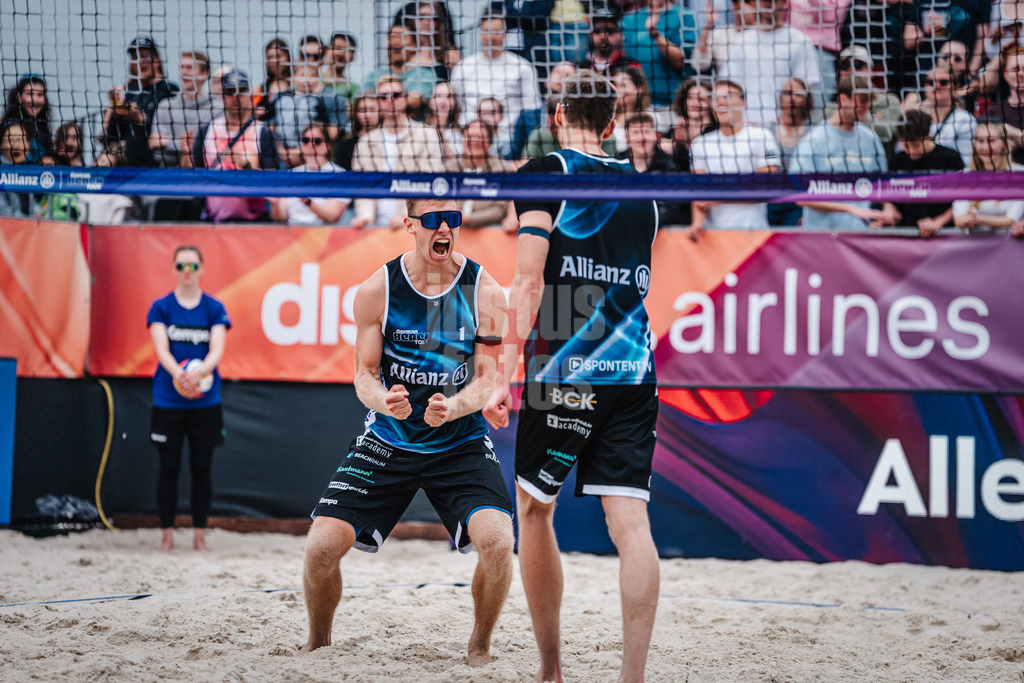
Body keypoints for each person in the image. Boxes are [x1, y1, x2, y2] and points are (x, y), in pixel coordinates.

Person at [484, 69, 661, 683]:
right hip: (635, 368)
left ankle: (551, 670)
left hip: (567, 366)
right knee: (630, 524)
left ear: (558, 115)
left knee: (534, 511)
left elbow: (529, 282)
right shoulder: (648, 195)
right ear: (612, 125)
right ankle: (632, 678)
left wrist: (504, 369)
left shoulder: (544, 173)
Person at [300, 199, 515, 666]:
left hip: (458, 441)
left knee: (499, 542)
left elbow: (486, 379)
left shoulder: (487, 291)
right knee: (319, 549)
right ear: (410, 225)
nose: (444, 228)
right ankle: (318, 643)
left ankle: (479, 647)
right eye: (434, 220)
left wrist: (455, 406)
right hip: (388, 440)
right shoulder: (378, 289)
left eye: (452, 219)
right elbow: (364, 375)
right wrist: (385, 401)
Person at [147, 244, 231, 553]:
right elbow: (161, 350)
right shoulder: (161, 307)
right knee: (168, 469)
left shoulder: (213, 308)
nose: (187, 271)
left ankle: (198, 536)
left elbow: (217, 350)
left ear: (201, 269)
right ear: (173, 268)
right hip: (168, 401)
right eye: (182, 265)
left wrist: (199, 373)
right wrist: (179, 376)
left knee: (201, 469)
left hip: (204, 404)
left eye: (193, 265)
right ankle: (167, 536)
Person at [789, 75, 889, 230]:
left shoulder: (870, 138)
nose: (867, 106)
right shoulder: (813, 140)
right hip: (822, 240)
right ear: (843, 99)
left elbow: (882, 185)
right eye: (862, 101)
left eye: (869, 101)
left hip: (860, 238)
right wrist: (850, 209)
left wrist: (888, 209)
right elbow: (801, 197)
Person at [689, 79, 782, 240]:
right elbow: (699, 193)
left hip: (753, 234)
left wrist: (717, 196)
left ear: (743, 102)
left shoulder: (763, 136)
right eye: (716, 98)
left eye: (728, 96)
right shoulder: (699, 144)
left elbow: (766, 186)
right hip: (712, 237)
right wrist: (697, 223)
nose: (722, 102)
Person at [350, 76, 445, 229]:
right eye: (383, 96)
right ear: (378, 102)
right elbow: (363, 186)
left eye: (395, 95)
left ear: (405, 99)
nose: (390, 100)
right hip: (373, 225)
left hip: (414, 224)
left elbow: (429, 183)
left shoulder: (426, 135)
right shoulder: (366, 142)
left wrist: (410, 216)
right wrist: (365, 216)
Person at [190, 70, 283, 222]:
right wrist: (185, 153)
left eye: (241, 91)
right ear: (222, 96)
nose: (236, 97)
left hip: (254, 222)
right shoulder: (206, 131)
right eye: (230, 92)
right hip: (212, 220)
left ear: (250, 95)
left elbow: (272, 183)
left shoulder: (263, 132)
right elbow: (196, 175)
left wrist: (246, 168)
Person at [450, 11, 543, 160]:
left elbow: (531, 108)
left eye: (496, 31)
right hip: (467, 138)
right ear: (480, 33)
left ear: (505, 35)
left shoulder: (523, 68)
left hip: (508, 141)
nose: (491, 36)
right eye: (486, 31)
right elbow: (457, 106)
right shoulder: (463, 67)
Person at [718, 0, 822, 126]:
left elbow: (806, 88)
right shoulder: (741, 42)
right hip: (748, 128)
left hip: (785, 129)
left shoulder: (800, 41)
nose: (769, 4)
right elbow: (729, 86)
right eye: (764, 0)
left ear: (784, 2)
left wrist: (784, 121)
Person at [882, 109, 964, 237]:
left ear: (927, 135)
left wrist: (939, 221)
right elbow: (885, 191)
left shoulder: (950, 159)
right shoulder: (896, 162)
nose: (909, 150)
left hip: (942, 233)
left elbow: (963, 199)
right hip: (904, 232)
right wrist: (889, 207)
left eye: (914, 145)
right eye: (904, 144)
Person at [101, 36, 180, 167]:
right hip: (127, 165)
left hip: (155, 166)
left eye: (145, 57)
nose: (140, 62)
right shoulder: (130, 92)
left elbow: (169, 130)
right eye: (135, 58)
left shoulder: (169, 89)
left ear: (157, 60)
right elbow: (112, 137)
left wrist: (140, 119)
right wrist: (114, 112)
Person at [149, 51, 222, 168]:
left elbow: (213, 151)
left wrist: (168, 142)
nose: (184, 72)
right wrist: (183, 145)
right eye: (181, 67)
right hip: (167, 175)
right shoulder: (165, 107)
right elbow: (157, 153)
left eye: (189, 68)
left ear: (204, 74)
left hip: (204, 176)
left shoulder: (216, 108)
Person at [621, 0, 698, 109]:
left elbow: (679, 62)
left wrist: (655, 34)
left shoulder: (684, 16)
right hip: (638, 104)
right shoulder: (629, 19)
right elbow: (627, 62)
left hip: (672, 103)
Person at [269, 123, 351, 225]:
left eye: (317, 141)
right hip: (292, 234)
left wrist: (307, 201)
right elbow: (280, 219)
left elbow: (332, 216)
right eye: (306, 140)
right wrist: (275, 202)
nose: (311, 145)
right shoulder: (292, 174)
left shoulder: (339, 174)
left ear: (328, 146)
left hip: (323, 234)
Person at [951, 122, 1024, 231]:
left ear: (1003, 143)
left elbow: (1012, 219)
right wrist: (967, 219)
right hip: (974, 243)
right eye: (980, 141)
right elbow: (959, 219)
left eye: (991, 141)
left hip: (1009, 243)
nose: (985, 147)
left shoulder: (1019, 174)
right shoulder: (964, 175)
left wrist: (978, 219)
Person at [444, 119, 515, 228]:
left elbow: (500, 209)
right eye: (470, 136)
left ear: (490, 143)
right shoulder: (449, 168)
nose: (474, 141)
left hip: (489, 228)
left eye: (480, 137)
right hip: (452, 227)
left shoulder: (501, 168)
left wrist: (468, 219)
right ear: (463, 139)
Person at [361, 24, 437, 118]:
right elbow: (363, 104)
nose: (395, 42)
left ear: (414, 45)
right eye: (391, 38)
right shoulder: (373, 75)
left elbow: (414, 101)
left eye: (402, 37)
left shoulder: (425, 75)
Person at [2, 73, 54, 164]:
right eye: (30, 94)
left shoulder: (41, 128)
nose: (35, 100)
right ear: (18, 97)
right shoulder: (12, 127)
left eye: (40, 94)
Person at [580, 7, 641, 77]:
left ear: (621, 35)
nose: (603, 36)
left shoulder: (631, 67)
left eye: (610, 31)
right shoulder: (581, 69)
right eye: (597, 31)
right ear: (590, 34)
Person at [332, 94, 380, 171]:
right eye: (362, 110)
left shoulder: (391, 139)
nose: (367, 115)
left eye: (372, 109)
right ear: (355, 113)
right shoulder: (345, 145)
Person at [322, 32, 361, 108]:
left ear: (352, 57)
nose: (341, 53)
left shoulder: (355, 89)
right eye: (337, 48)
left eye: (347, 50)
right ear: (327, 50)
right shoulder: (311, 81)